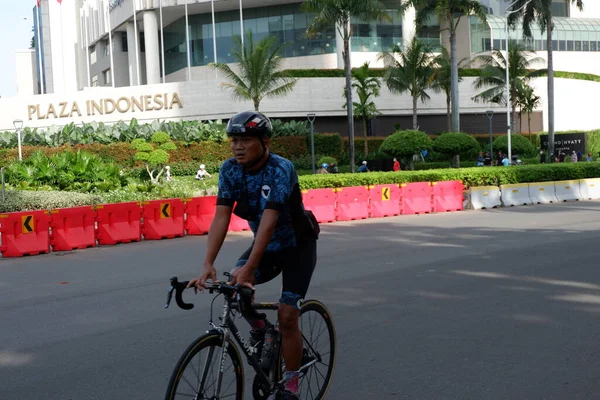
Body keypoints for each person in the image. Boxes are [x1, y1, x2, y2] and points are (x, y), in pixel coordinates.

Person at [187, 111, 320, 400]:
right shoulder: (229, 170)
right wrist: (208, 263)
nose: (238, 146)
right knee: (236, 288)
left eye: (245, 140)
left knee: (287, 317)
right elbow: (221, 216)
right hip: (267, 248)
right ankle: (261, 329)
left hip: (297, 247)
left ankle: (291, 383)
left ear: (265, 141)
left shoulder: (280, 169)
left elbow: (270, 221)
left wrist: (250, 266)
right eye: (234, 140)